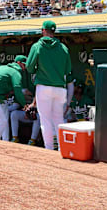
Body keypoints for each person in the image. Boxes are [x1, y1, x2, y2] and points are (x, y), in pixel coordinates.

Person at [26, 20, 72, 150]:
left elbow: (29, 68)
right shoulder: (63, 47)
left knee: (45, 120)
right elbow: (68, 70)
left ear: (44, 31)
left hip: (43, 87)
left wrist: (38, 69)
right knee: (58, 119)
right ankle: (63, 148)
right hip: (60, 88)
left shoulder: (37, 46)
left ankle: (49, 149)